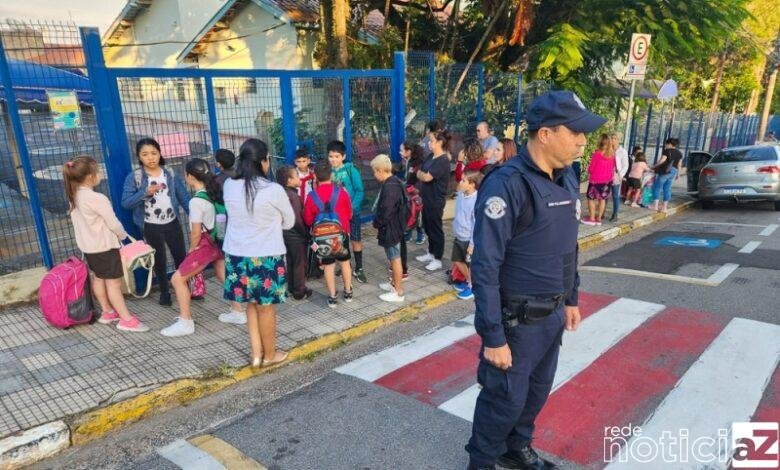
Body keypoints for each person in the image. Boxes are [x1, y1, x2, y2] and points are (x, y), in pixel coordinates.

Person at [466, 90, 605, 470]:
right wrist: (493, 336)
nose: (582, 141)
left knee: (537, 392)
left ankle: (517, 447)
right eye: (575, 132)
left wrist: (572, 298)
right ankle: (481, 462)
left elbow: (568, 247)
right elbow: (485, 267)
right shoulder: (506, 184)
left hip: (553, 314)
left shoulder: (567, 177)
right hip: (517, 323)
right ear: (545, 134)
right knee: (504, 399)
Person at [222, 138, 293, 367]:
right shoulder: (274, 190)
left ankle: (256, 355)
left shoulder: (229, 185)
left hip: (236, 255)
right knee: (266, 308)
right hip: (266, 256)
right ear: (265, 161)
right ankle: (270, 356)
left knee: (251, 304)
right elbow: (289, 222)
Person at [63, 156, 149, 332]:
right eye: (98, 170)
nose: (101, 172)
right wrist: (123, 235)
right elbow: (113, 223)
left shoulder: (74, 196)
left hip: (89, 249)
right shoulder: (96, 198)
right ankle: (126, 319)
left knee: (99, 278)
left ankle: (108, 311)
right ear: (90, 176)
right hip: (105, 247)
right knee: (114, 284)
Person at [161, 158, 244, 336]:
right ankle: (238, 312)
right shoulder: (214, 192)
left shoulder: (196, 201)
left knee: (177, 279)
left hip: (206, 244)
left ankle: (186, 322)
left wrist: (192, 249)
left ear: (189, 176)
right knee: (223, 274)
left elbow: (196, 233)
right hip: (219, 241)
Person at [121, 137, 190, 307]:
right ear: (139, 157)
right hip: (150, 225)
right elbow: (126, 203)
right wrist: (145, 192)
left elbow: (183, 197)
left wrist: (195, 217)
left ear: (160, 153)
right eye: (145, 154)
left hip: (172, 222)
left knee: (180, 256)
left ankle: (185, 288)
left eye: (154, 153)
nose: (150, 158)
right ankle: (165, 292)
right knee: (158, 260)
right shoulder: (135, 177)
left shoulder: (170, 173)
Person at [304, 161, 354, 308]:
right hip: (341, 234)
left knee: (328, 266)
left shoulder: (312, 196)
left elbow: (307, 219)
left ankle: (332, 297)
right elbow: (349, 214)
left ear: (315, 177)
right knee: (345, 263)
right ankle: (348, 291)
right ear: (331, 175)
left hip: (322, 238)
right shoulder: (341, 192)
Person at [328, 140, 367, 284]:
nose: (333, 159)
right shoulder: (328, 172)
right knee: (340, 240)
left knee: (355, 239)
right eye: (331, 156)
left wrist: (352, 208)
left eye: (337, 156)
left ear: (343, 157)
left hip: (352, 213)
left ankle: (360, 268)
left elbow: (359, 190)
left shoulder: (351, 170)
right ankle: (346, 265)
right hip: (336, 215)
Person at [371, 154, 407, 303]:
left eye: (374, 171)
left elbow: (386, 211)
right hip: (394, 227)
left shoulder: (390, 186)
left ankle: (398, 292)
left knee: (395, 259)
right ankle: (394, 284)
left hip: (391, 229)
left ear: (380, 170)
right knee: (393, 258)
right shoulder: (393, 182)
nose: (374, 174)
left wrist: (377, 223)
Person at [415, 129, 451, 271]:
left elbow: (426, 177)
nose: (428, 143)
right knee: (428, 226)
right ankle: (431, 252)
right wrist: (421, 174)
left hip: (436, 200)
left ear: (440, 142)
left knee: (436, 229)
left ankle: (438, 258)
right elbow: (420, 172)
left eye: (431, 141)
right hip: (426, 198)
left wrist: (420, 174)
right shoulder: (431, 157)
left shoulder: (442, 161)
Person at [276, 166, 312, 301]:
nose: (299, 178)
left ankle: (292, 287)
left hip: (283, 234)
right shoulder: (293, 197)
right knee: (299, 263)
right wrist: (305, 234)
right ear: (289, 180)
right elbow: (296, 219)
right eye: (296, 176)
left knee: (290, 261)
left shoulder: (281, 194)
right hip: (295, 235)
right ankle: (299, 291)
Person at [451, 170, 482, 301]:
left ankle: (472, 285)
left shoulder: (476, 201)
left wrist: (472, 244)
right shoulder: (460, 194)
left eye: (464, 180)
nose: (460, 182)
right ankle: (469, 281)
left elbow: (477, 224)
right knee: (458, 260)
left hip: (468, 239)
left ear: (472, 184)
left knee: (468, 264)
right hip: (459, 235)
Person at [581, 134, 616, 226]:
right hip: (607, 182)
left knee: (591, 199)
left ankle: (592, 219)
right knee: (602, 199)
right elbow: (613, 168)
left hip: (595, 181)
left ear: (600, 142)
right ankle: (599, 219)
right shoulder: (612, 155)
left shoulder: (597, 154)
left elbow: (591, 169)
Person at [400, 140, 426, 246]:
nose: (400, 152)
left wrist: (414, 189)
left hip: (417, 193)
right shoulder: (406, 161)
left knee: (418, 214)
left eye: (401, 150)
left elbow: (418, 180)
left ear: (409, 151)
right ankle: (408, 234)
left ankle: (421, 234)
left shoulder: (418, 163)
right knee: (409, 212)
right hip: (409, 192)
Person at [651, 137, 683, 213]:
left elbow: (662, 160)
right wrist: (679, 174)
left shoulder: (667, 151)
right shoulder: (679, 153)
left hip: (666, 171)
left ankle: (655, 206)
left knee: (657, 187)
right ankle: (664, 208)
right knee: (667, 188)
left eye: (666, 144)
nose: (665, 145)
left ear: (669, 144)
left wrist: (654, 166)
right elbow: (679, 165)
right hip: (674, 171)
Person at [609, 133, 630, 222]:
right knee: (605, 194)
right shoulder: (607, 149)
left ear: (618, 140)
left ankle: (615, 213)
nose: (612, 140)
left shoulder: (622, 151)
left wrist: (620, 175)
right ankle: (601, 213)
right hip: (606, 173)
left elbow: (625, 165)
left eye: (614, 138)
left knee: (615, 195)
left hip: (616, 175)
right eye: (611, 138)